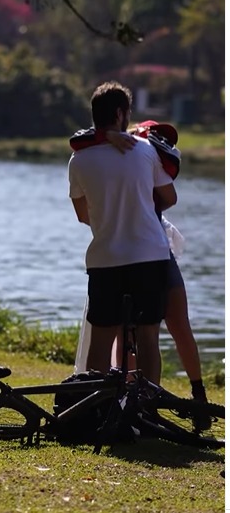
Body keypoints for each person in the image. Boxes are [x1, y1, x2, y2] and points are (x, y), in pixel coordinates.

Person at [69, 119, 208, 404]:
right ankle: (132, 399)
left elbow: (168, 198)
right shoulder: (131, 151)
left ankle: (195, 394)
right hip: (142, 255)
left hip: (146, 253)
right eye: (153, 134)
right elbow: (82, 139)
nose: (161, 142)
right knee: (135, 332)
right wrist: (111, 135)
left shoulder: (141, 156)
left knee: (171, 325)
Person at [68, 81, 177, 384]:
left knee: (101, 340)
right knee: (148, 337)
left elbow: (82, 215)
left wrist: (109, 217)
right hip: (149, 256)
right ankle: (148, 401)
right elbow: (170, 198)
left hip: (105, 259)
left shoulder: (79, 160)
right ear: (120, 114)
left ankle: (97, 403)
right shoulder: (145, 151)